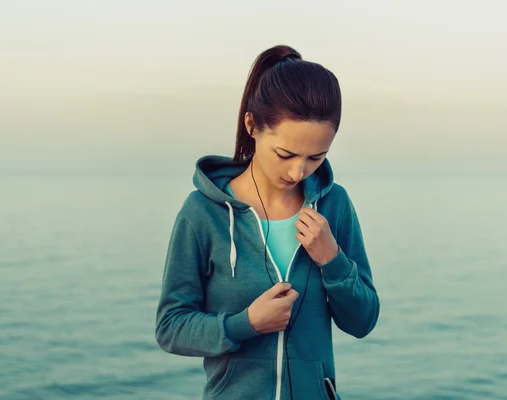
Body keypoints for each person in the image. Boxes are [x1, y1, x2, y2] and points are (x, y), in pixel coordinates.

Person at [155, 44, 380, 400]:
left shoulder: (333, 206)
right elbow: (170, 328)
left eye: (316, 157)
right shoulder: (202, 213)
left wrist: (332, 260)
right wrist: (246, 323)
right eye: (285, 154)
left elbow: (363, 320)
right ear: (252, 126)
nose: (298, 171)